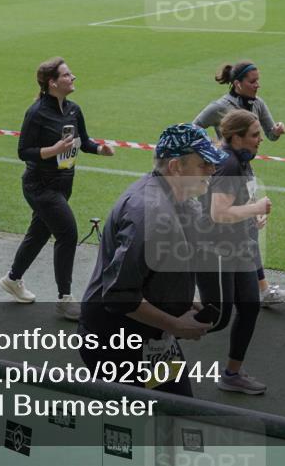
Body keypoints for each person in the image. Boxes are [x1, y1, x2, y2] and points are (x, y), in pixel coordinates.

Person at [78, 123, 225, 396]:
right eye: (203, 163)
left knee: (176, 408)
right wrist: (177, 324)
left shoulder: (180, 200)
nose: (212, 171)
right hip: (115, 342)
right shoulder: (150, 214)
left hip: (150, 336)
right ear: (176, 168)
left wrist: (181, 303)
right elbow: (118, 296)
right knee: (142, 421)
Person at [1, 57, 113, 321]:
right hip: (39, 185)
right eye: (67, 75)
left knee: (39, 233)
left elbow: (83, 141)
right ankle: (65, 298)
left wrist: (100, 149)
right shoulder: (36, 112)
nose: (73, 78)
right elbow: (23, 152)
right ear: (52, 83)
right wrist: (54, 150)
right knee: (67, 233)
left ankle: (12, 279)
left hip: (64, 184)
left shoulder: (73, 109)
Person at [193, 60, 285, 307]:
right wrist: (216, 150)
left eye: (258, 80)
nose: (258, 85)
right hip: (227, 172)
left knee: (246, 230)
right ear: (237, 83)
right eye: (253, 81)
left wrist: (277, 131)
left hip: (244, 170)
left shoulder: (258, 104)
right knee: (230, 229)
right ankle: (244, 291)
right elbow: (194, 127)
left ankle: (253, 289)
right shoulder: (219, 107)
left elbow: (269, 134)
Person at [197, 109, 271, 395]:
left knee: (250, 306)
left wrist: (251, 217)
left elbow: (236, 204)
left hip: (238, 244)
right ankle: (157, 333)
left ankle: (232, 374)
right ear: (236, 137)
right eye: (255, 135)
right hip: (215, 247)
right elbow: (218, 213)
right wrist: (256, 209)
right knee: (217, 318)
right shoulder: (228, 162)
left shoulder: (241, 159)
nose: (260, 139)